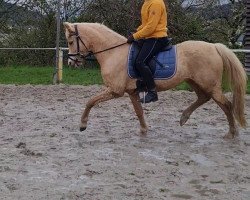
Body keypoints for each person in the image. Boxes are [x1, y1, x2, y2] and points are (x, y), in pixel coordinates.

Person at [127, 0, 169, 103]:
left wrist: (135, 36)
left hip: (157, 38)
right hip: (149, 37)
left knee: (140, 62)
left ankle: (152, 92)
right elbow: (146, 24)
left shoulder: (156, 3)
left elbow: (151, 27)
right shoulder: (147, 2)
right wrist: (137, 31)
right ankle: (141, 83)